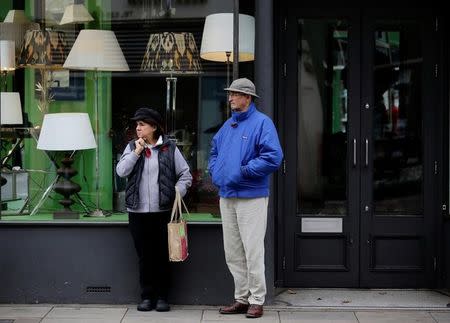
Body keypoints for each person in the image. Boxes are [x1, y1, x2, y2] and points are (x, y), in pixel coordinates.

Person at [208, 78, 283, 318]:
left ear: (247, 98)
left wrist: (243, 171)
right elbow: (214, 151)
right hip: (227, 195)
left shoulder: (262, 123)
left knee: (252, 250)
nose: (229, 98)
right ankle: (241, 298)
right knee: (233, 251)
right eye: (229, 94)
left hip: (251, 196)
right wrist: (216, 170)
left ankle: (257, 300)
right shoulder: (228, 125)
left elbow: (273, 157)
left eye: (234, 94)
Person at [116, 107, 192, 312]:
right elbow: (121, 171)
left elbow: (186, 175)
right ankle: (146, 296)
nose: (137, 128)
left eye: (142, 124)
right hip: (138, 213)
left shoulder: (169, 148)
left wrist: (176, 191)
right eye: (137, 124)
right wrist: (136, 152)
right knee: (144, 256)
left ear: (154, 127)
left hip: (163, 212)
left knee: (162, 255)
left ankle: (162, 297)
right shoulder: (132, 147)